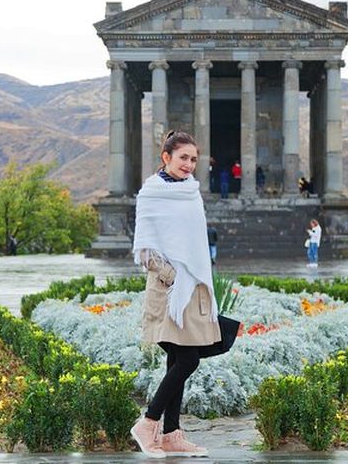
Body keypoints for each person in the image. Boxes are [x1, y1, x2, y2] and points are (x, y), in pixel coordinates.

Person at [130, 130, 219, 458]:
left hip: (191, 290)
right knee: (187, 359)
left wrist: (194, 279)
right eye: (183, 157)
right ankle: (149, 422)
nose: (189, 165)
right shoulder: (151, 194)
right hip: (167, 289)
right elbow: (145, 249)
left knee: (177, 359)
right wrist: (174, 275)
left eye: (194, 159)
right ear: (166, 157)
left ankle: (171, 434)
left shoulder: (191, 192)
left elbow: (194, 244)